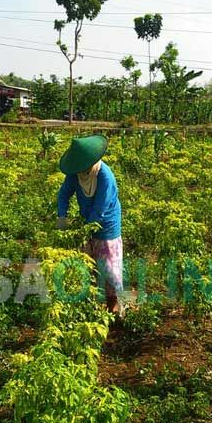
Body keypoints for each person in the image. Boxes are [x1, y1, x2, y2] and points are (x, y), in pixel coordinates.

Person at [56, 134, 124, 314]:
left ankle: (114, 303)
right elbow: (63, 194)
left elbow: (100, 209)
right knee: (89, 264)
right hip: (86, 222)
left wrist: (85, 230)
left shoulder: (104, 176)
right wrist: (62, 216)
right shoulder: (75, 174)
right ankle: (94, 302)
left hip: (107, 224)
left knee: (109, 266)